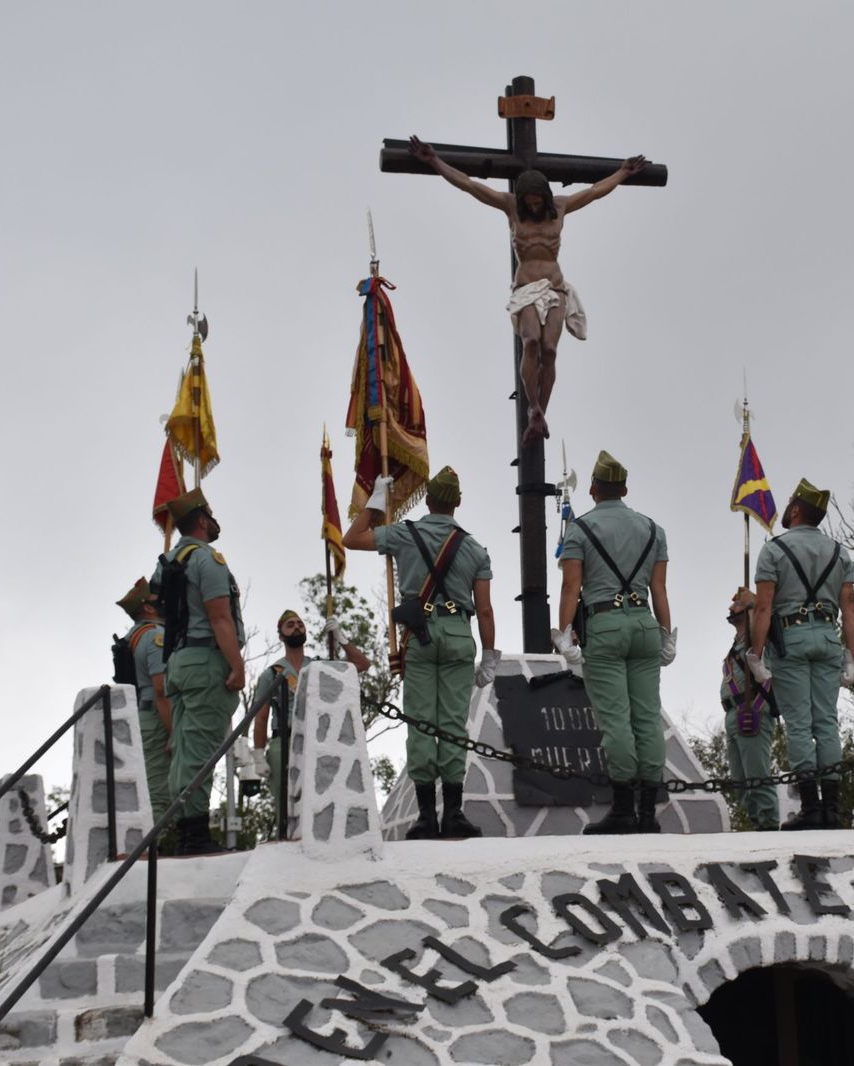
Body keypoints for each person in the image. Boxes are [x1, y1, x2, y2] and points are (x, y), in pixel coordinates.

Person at [405, 136, 646, 446]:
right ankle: (533, 407)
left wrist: (623, 172)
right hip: (526, 288)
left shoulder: (560, 207)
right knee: (531, 342)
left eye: (537, 201)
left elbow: (594, 191)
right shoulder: (511, 208)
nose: (533, 206)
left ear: (545, 196)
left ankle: (541, 412)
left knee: (550, 350)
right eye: (528, 202)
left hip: (555, 288)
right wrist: (435, 161)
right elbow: (469, 184)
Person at [343, 466, 498, 840]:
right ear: (458, 502)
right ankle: (454, 814)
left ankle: (427, 816)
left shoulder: (403, 534)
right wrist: (490, 654)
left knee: (421, 722)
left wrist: (376, 503)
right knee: (453, 723)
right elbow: (485, 609)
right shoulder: (475, 549)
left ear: (427, 500)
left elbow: (352, 538)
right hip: (458, 634)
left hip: (419, 637)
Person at [552, 451, 675, 835]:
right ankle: (648, 813)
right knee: (647, 717)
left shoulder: (580, 530)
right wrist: (667, 634)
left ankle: (623, 809)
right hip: (644, 624)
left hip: (604, 626)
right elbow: (659, 589)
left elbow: (571, 587)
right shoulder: (653, 530)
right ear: (624, 489)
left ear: (593, 488)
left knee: (616, 720)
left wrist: (565, 633)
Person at [748, 479, 854, 831]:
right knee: (826, 721)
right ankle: (833, 810)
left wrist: (756, 655)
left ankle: (811, 807)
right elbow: (850, 608)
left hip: (791, 639)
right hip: (827, 637)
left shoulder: (774, 550)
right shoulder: (839, 553)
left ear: (795, 510)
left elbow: (763, 608)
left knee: (798, 723)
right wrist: (852, 657)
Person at [152, 488, 245, 855]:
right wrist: (237, 665)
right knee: (201, 750)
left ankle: (185, 831)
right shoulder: (208, 560)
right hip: (206, 661)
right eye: (211, 516)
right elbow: (220, 617)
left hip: (177, 662)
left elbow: (161, 611)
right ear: (203, 521)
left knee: (184, 750)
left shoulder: (167, 561)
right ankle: (195, 836)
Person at [249, 609, 372, 823]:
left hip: (317, 739)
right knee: (286, 799)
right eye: (290, 625)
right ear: (281, 635)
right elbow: (261, 717)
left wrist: (340, 638)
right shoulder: (272, 674)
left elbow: (362, 665)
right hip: (285, 740)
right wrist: (258, 755)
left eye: (300, 624)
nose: (297, 627)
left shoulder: (319, 666)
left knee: (323, 796)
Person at [115, 578, 172, 824]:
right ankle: (150, 846)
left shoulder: (134, 635)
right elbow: (160, 689)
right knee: (158, 795)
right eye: (157, 599)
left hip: (142, 716)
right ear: (148, 608)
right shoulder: (156, 636)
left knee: (148, 789)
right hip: (158, 718)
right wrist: (174, 732)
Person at [721, 587, 779, 831]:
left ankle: (768, 825)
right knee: (741, 782)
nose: (730, 607)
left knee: (757, 776)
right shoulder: (737, 645)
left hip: (751, 710)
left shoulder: (757, 640)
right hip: (733, 713)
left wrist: (752, 602)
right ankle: (758, 824)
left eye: (737, 604)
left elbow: (764, 612)